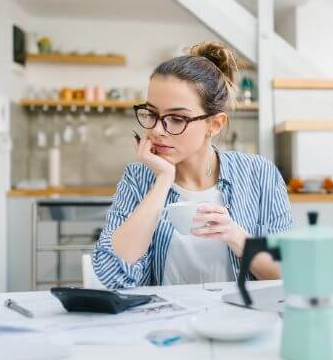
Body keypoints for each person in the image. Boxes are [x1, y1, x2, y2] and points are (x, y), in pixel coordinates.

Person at [92, 41, 292, 289]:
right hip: (165, 323)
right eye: (151, 113)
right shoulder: (139, 176)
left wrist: (236, 236)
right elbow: (111, 276)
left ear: (215, 124)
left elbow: (288, 274)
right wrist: (163, 180)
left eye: (176, 119)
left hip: (240, 322)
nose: (156, 130)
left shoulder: (259, 174)